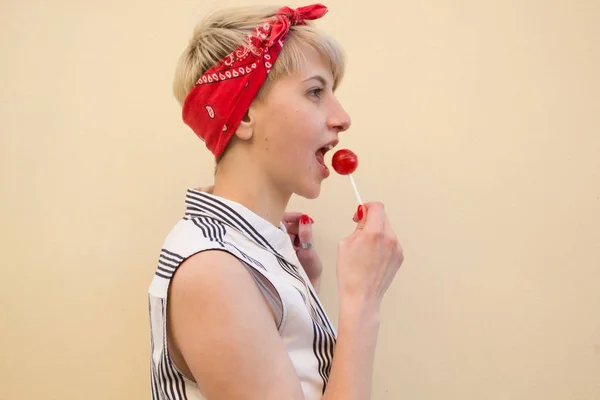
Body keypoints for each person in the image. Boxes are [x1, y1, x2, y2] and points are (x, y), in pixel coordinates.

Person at [148, 4, 404, 400]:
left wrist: (299, 291)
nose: (342, 118)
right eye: (316, 91)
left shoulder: (243, 257)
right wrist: (362, 299)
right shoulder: (213, 272)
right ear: (244, 115)